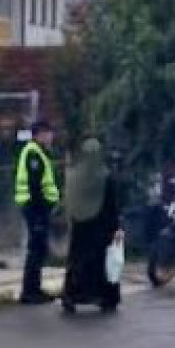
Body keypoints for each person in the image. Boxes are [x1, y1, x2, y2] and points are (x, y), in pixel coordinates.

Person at [61, 138, 123, 314]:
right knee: (103, 263)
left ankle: (71, 295)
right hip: (101, 226)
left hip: (80, 226)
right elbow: (112, 204)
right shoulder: (105, 176)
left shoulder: (75, 175)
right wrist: (117, 227)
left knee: (77, 262)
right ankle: (106, 298)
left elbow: (69, 199)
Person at [14, 121, 60, 305]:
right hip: (35, 208)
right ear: (40, 134)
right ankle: (29, 291)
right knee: (36, 249)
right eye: (48, 133)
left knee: (39, 249)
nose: (51, 137)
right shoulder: (33, 153)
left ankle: (34, 288)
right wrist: (40, 213)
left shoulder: (39, 152)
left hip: (39, 208)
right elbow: (35, 186)